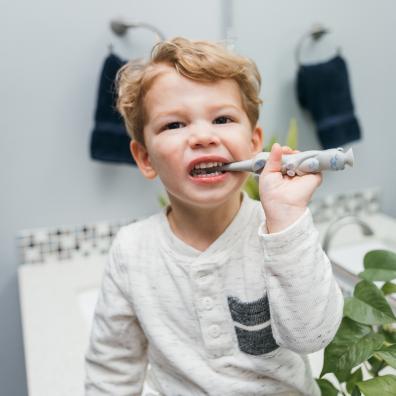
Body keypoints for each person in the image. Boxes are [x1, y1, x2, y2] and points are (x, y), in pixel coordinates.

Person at [85, 37, 344, 396]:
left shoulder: (282, 233)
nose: (203, 137)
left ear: (255, 143)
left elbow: (312, 335)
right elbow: (111, 372)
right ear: (145, 158)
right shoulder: (132, 252)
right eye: (174, 125)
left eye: (222, 119)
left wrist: (286, 219)